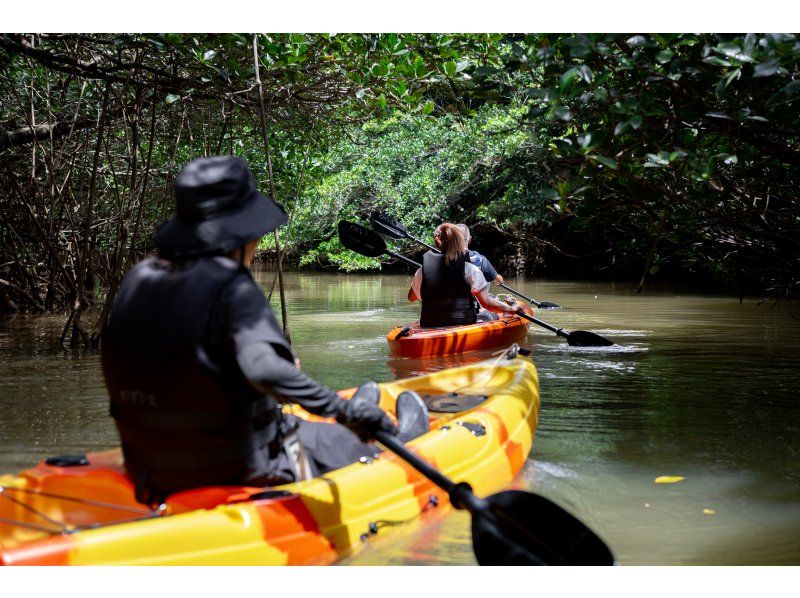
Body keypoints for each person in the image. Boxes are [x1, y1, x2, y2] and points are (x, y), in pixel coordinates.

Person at [101, 156, 428, 504]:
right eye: (253, 235)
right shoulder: (230, 287)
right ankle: (394, 436)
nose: (256, 245)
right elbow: (263, 368)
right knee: (362, 443)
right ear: (237, 236)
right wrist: (342, 410)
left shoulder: (139, 277)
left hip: (148, 467)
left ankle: (355, 412)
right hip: (237, 466)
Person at [407, 223, 523, 327]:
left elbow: (411, 298)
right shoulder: (470, 269)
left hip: (430, 323)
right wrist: (510, 309)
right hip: (463, 322)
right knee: (492, 311)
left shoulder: (422, 270)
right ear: (460, 242)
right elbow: (487, 304)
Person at [456, 223, 504, 289]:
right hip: (473, 298)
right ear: (469, 239)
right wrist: (500, 280)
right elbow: (498, 281)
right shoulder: (479, 259)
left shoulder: (443, 258)